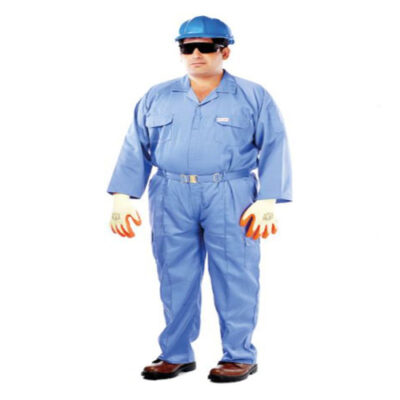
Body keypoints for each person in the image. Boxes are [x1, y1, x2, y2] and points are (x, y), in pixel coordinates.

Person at [107, 15, 292, 383]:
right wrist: (122, 197)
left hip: (231, 193)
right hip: (170, 192)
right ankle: (175, 353)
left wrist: (268, 200)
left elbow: (275, 144)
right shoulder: (157, 96)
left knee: (235, 273)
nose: (195, 54)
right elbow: (134, 147)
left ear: (225, 51)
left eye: (205, 47)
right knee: (174, 274)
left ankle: (238, 355)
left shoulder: (252, 96)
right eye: (187, 47)